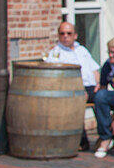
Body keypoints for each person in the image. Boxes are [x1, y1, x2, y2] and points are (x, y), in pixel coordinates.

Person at [43, 21, 100, 151]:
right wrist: (79, 90)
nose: (65, 36)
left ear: (75, 35)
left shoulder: (82, 50)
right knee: (78, 102)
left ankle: (106, 137)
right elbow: (55, 78)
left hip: (91, 87)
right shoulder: (56, 53)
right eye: (62, 33)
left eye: (69, 33)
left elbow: (94, 70)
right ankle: (82, 141)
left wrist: (99, 84)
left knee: (104, 99)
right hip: (72, 90)